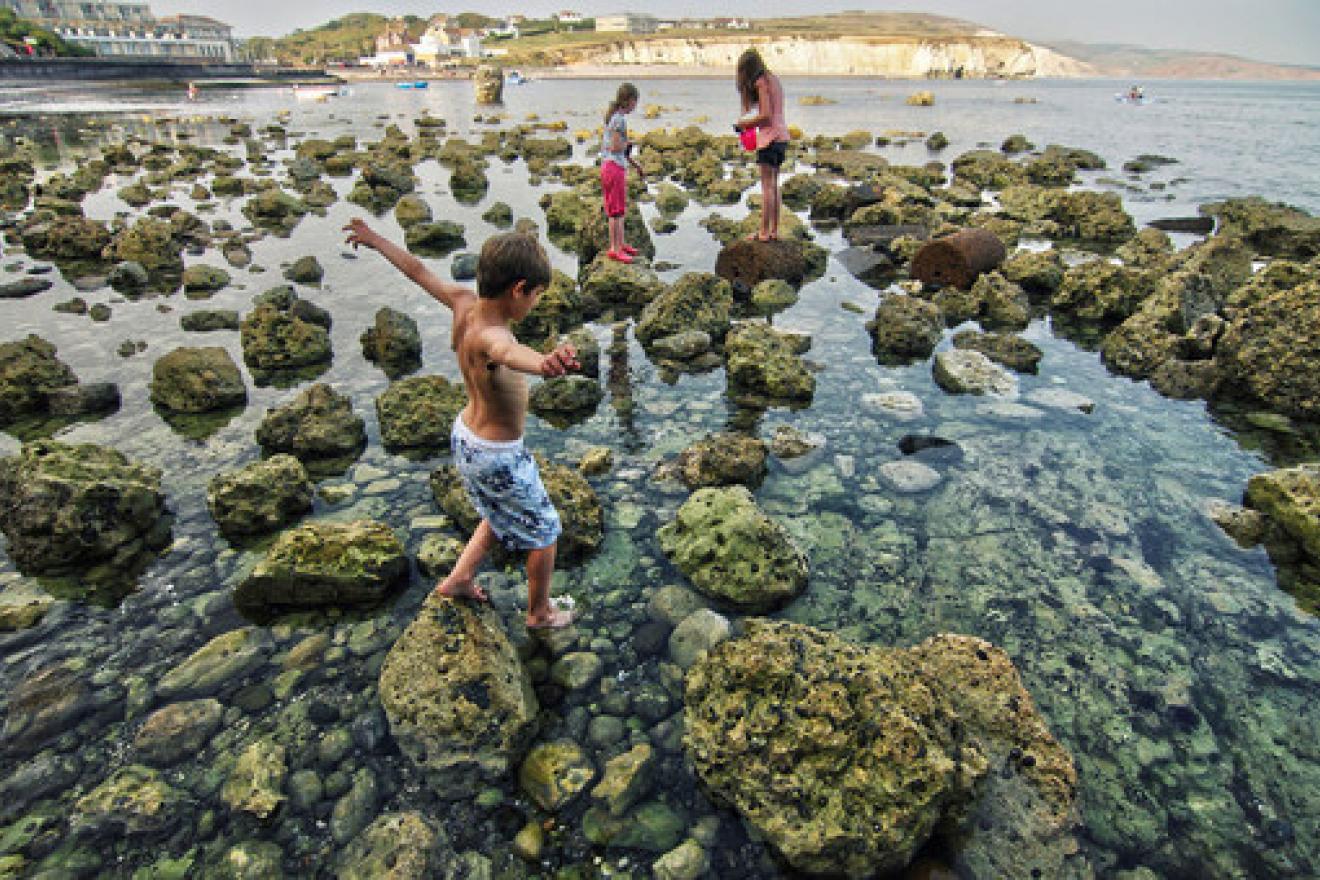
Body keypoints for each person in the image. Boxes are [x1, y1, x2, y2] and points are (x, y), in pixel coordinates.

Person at [344, 218, 581, 629]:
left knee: (496, 510)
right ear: (518, 289)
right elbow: (509, 353)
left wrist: (375, 239)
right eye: (536, 296)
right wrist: (544, 365)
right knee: (545, 532)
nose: (535, 305)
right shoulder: (493, 336)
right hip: (497, 454)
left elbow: (416, 271)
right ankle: (539, 613)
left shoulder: (461, 302)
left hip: (466, 438)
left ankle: (459, 578)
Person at [735, 48, 791, 242]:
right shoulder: (773, 79)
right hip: (782, 136)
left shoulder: (760, 82)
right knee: (774, 186)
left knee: (767, 187)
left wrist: (745, 124)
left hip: (770, 138)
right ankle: (774, 231)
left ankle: (763, 232)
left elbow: (766, 115)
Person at [600, 82, 645, 263]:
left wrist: (636, 165)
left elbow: (620, 151)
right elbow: (615, 146)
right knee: (615, 211)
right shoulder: (619, 120)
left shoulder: (615, 118)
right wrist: (629, 143)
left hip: (613, 166)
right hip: (613, 168)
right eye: (635, 102)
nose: (636, 106)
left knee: (619, 208)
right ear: (629, 100)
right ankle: (615, 248)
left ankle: (621, 244)